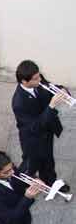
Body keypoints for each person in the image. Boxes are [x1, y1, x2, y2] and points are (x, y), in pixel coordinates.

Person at [12, 59, 70, 189]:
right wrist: (51, 106)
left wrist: (62, 90)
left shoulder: (37, 79)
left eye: (39, 76)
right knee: (31, 163)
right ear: (24, 81)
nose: (40, 80)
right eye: (35, 79)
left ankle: (50, 181)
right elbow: (34, 126)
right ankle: (17, 184)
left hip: (46, 132)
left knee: (48, 160)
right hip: (32, 138)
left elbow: (49, 87)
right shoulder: (18, 103)